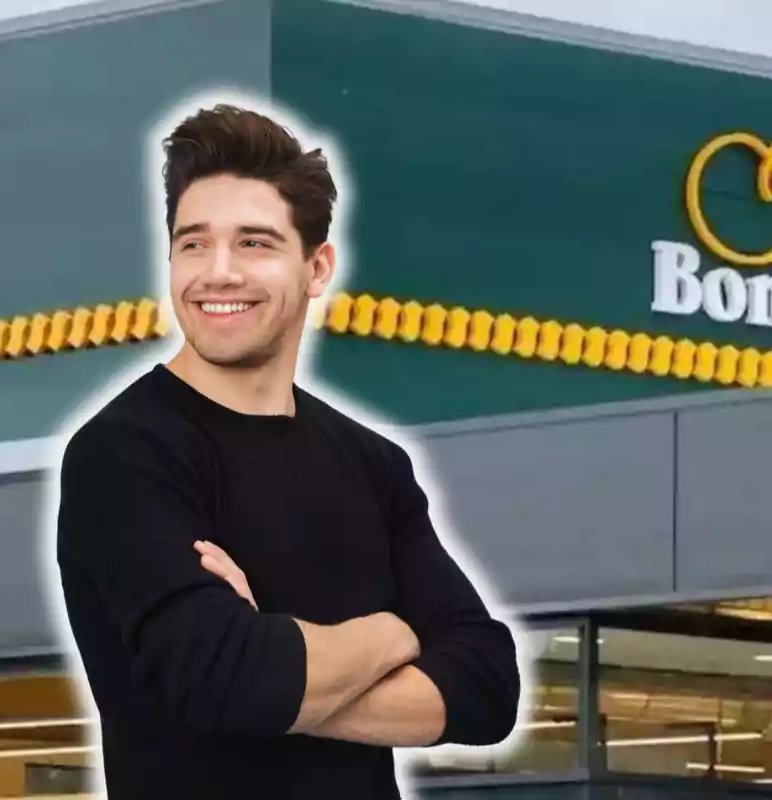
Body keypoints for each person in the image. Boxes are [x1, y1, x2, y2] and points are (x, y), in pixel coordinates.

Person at [52, 102, 521, 799]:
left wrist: (280, 667)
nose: (217, 273)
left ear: (317, 265)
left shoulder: (373, 464)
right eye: (192, 243)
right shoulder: (124, 454)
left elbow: (487, 687)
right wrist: (393, 636)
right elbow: (228, 683)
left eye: (254, 243)